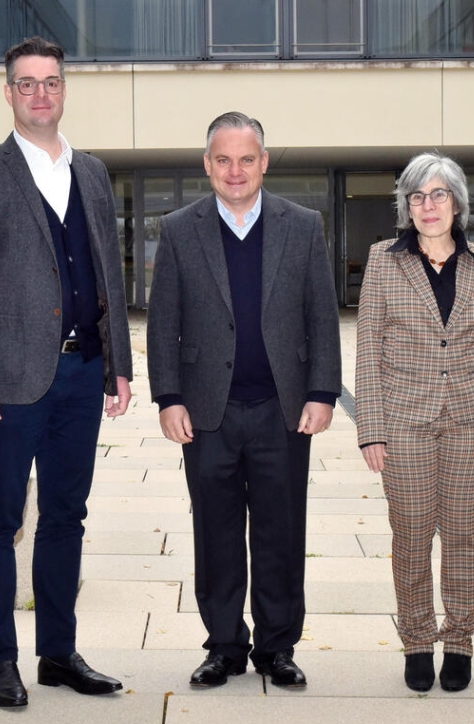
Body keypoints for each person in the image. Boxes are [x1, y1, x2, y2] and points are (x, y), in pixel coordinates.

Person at [0, 36, 133, 709]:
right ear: (8, 93)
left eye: (50, 82)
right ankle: (1, 661)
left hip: (83, 375)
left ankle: (57, 653)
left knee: (66, 517)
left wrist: (120, 364)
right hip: (11, 380)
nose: (40, 94)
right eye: (26, 83)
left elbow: (108, 268)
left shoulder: (92, 171)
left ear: (63, 89)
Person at [146, 111, 341, 690]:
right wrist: (168, 397)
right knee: (216, 531)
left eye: (246, 159)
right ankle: (225, 646)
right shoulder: (180, 228)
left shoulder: (302, 225)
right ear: (208, 165)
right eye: (223, 159)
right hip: (208, 413)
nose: (236, 170)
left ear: (264, 162)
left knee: (282, 532)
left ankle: (278, 647)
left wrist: (323, 391)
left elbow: (320, 314)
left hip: (283, 411)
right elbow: (163, 323)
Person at [355, 152, 474, 694]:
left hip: (473, 420)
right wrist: (371, 427)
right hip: (403, 422)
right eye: (418, 196)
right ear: (407, 205)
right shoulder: (383, 259)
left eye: (439, 194)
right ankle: (418, 638)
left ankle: (461, 639)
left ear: (457, 203)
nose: (429, 206)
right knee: (411, 534)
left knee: (466, 536)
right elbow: (368, 347)